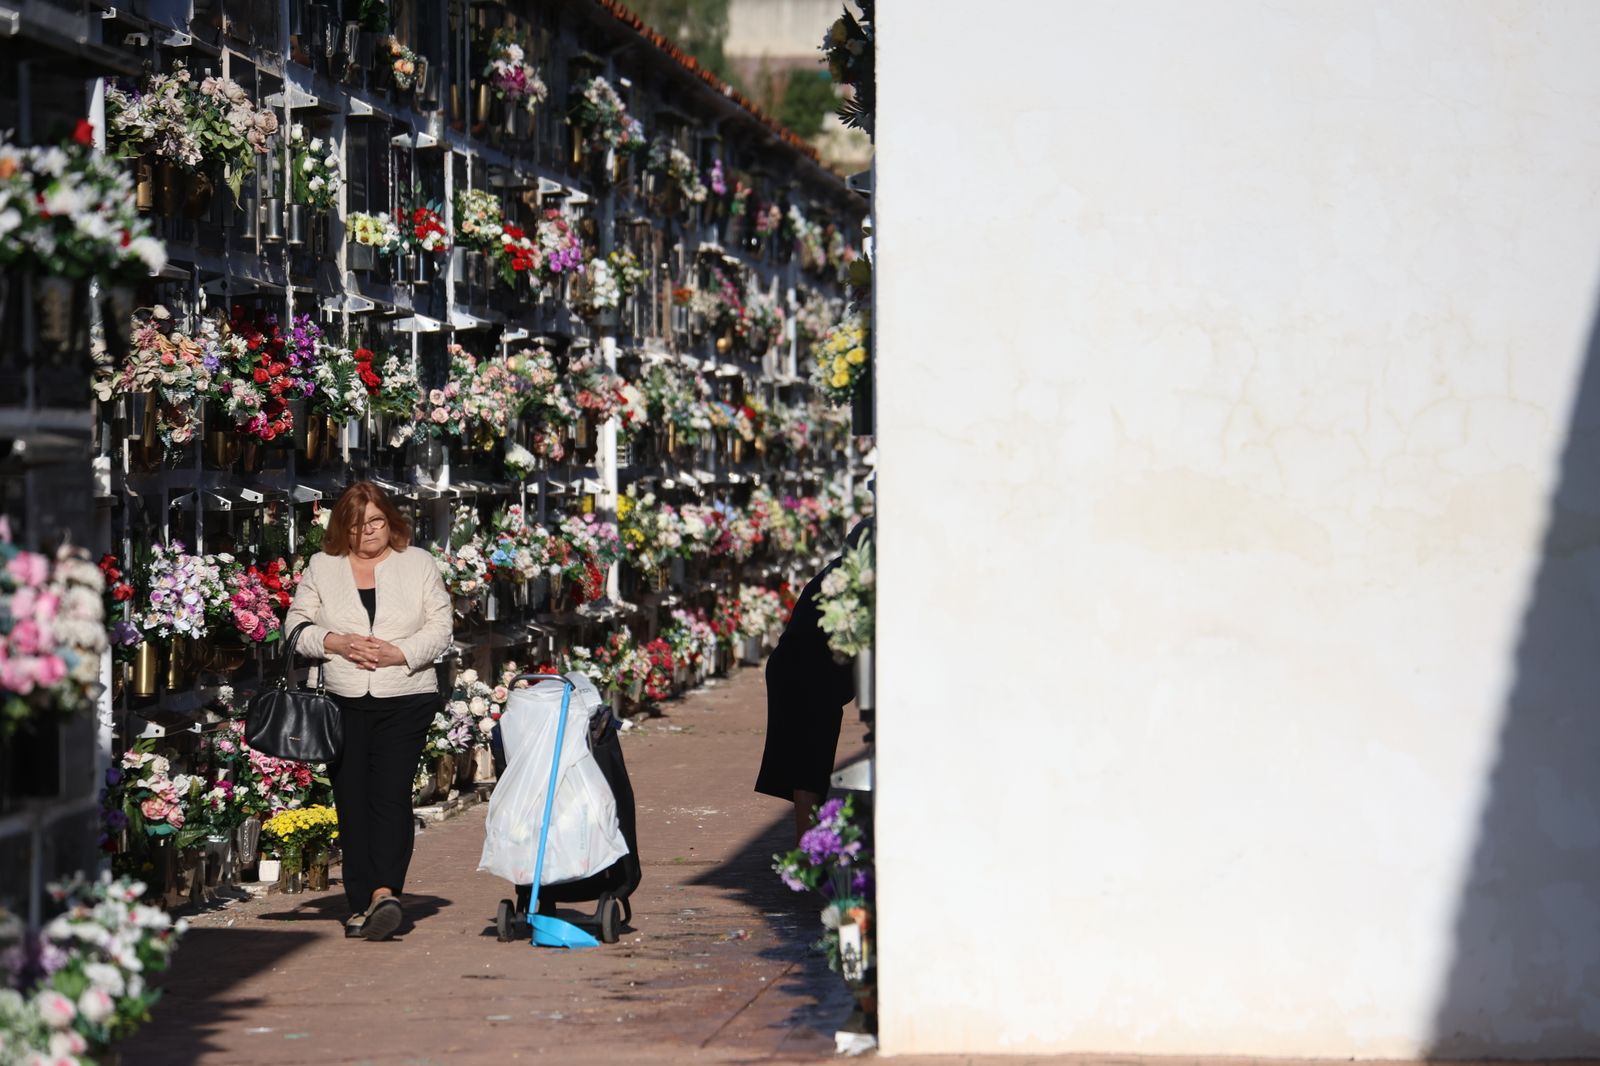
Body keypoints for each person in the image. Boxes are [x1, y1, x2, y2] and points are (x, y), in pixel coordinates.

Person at [285, 481, 453, 941]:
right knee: (352, 799)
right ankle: (360, 903)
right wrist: (334, 641)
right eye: (358, 526)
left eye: (376, 522)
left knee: (390, 794)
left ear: (391, 520)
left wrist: (399, 653)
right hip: (342, 701)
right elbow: (295, 628)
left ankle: (385, 893)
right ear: (344, 529)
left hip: (406, 696)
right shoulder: (323, 567)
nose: (369, 533)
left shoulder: (417, 563)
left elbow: (441, 627)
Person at [755, 517, 872, 843]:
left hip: (808, 673)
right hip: (805, 675)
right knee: (809, 761)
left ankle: (810, 839)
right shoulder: (845, 581)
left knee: (811, 761)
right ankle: (807, 845)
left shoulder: (842, 573)